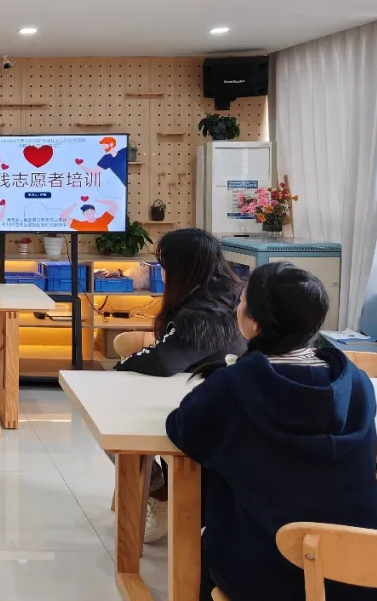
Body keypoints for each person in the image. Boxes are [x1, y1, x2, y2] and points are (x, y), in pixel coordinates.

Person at [167, 262, 377, 601]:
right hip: (369, 572)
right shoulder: (356, 383)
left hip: (269, 573)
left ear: (255, 322)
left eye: (242, 300)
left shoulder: (232, 385)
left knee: (209, 548)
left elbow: (184, 429)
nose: (237, 306)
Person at [112, 228, 244, 543]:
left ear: (182, 267)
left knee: (115, 424)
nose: (161, 272)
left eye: (164, 264)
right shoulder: (231, 292)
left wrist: (119, 369)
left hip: (207, 411)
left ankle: (161, 493)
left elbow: (164, 360)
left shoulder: (205, 310)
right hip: (220, 399)